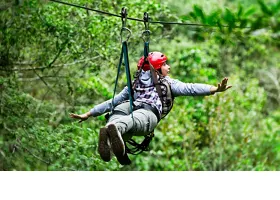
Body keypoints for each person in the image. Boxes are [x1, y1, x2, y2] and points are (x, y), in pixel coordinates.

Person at [70, 52, 232, 165]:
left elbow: (113, 101)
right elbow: (190, 88)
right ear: (156, 68)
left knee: (119, 110)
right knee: (132, 118)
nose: (168, 67)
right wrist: (214, 89)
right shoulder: (168, 83)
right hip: (148, 113)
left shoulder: (134, 84)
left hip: (133, 108)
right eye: (164, 65)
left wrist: (90, 113)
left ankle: (110, 134)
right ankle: (114, 131)